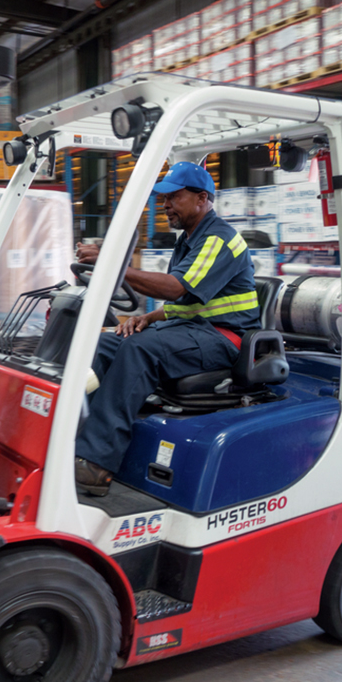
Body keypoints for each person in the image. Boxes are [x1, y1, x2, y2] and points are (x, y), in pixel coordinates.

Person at [74, 162, 259, 496]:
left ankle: (96, 461)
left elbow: (175, 288)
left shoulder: (218, 239)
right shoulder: (188, 241)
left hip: (224, 339)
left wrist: (111, 263)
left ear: (202, 199)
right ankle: (72, 434)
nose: (165, 205)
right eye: (163, 198)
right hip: (191, 330)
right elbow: (190, 300)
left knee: (139, 349)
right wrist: (149, 317)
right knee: (107, 343)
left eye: (174, 197)